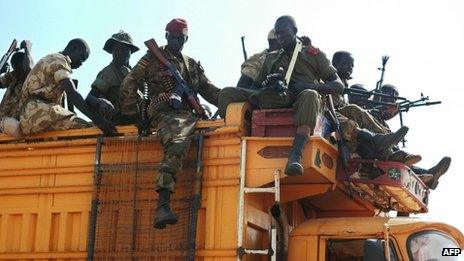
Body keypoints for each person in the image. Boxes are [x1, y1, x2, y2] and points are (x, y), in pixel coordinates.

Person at [218, 15, 407, 176]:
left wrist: (305, 85)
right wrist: (268, 84)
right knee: (227, 93)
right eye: (278, 33)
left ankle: (295, 156)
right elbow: (255, 84)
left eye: (283, 32)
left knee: (310, 94)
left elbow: (337, 86)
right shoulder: (271, 58)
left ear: (294, 30)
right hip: (272, 98)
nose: (280, 37)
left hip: (300, 99)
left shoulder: (312, 55)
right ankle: (233, 139)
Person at [120, 18, 220, 229]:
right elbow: (129, 84)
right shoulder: (151, 59)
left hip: (191, 113)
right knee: (178, 140)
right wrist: (136, 116)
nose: (177, 42)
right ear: (166, 36)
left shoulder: (191, 64)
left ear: (186, 39)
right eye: (173, 38)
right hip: (165, 112)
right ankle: (163, 205)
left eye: (181, 39)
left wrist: (233, 100)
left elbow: (210, 90)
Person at [19, 38, 116, 136]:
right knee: (89, 131)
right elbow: (72, 92)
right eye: (82, 58)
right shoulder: (60, 60)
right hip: (37, 112)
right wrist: (99, 121)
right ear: (73, 48)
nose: (81, 63)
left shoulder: (52, 60)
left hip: (32, 116)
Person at [369, 84, 451, 189]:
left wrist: (390, 113)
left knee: (402, 155)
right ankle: (421, 174)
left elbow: (381, 118)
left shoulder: (381, 121)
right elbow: (370, 117)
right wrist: (384, 111)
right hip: (376, 150)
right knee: (398, 154)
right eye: (388, 98)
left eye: (393, 100)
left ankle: (426, 175)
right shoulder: (363, 111)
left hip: (383, 148)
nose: (391, 102)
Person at [86, 31, 140, 125]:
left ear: (130, 51)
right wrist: (101, 102)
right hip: (118, 121)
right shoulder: (108, 72)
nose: (120, 53)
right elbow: (89, 98)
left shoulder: (135, 72)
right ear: (112, 51)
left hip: (137, 120)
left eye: (124, 49)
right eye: (116, 49)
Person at [0, 40, 33, 138]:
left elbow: (30, 69)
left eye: (20, 65)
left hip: (17, 126)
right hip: (2, 122)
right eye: (14, 66)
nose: (17, 69)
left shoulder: (32, 77)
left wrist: (27, 50)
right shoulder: (13, 76)